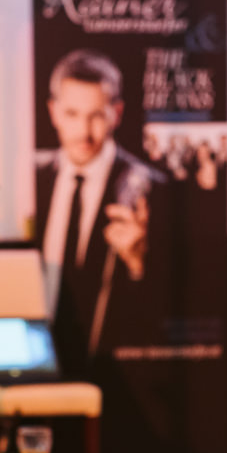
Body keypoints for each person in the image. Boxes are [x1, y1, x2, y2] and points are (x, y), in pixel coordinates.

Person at [33, 47, 165, 373]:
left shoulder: (151, 188)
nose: (84, 132)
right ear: (53, 112)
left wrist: (137, 262)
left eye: (96, 115)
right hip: (40, 359)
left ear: (116, 113)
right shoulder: (33, 177)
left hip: (119, 374)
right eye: (72, 114)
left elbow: (172, 305)